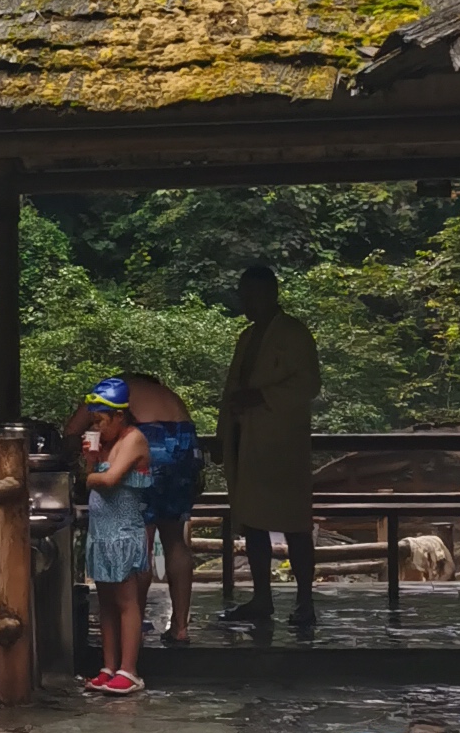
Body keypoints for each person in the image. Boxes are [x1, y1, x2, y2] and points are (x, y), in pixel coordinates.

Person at [217, 261, 321, 629]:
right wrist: (222, 435)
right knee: (253, 524)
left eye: (251, 295)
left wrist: (262, 396)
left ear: (270, 294)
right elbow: (232, 390)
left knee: (294, 524)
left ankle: (305, 602)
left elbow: (308, 385)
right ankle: (262, 598)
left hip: (282, 445)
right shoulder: (247, 337)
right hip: (247, 442)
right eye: (243, 296)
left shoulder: (293, 333)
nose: (246, 302)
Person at [76, 375, 153, 694]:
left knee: (126, 601)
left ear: (120, 415)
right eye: (93, 421)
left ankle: (129, 669)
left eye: (101, 421)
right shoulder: (104, 443)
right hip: (102, 533)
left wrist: (92, 475)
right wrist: (91, 460)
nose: (97, 427)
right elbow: (92, 477)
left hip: (123, 532)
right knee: (105, 602)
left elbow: (109, 481)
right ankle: (108, 666)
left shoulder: (133, 438)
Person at [118, 366, 206, 642]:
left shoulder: (115, 389)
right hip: (184, 449)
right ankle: (180, 627)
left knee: (142, 540)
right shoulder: (167, 396)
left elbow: (73, 430)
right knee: (174, 538)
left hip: (149, 446)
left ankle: (134, 623)